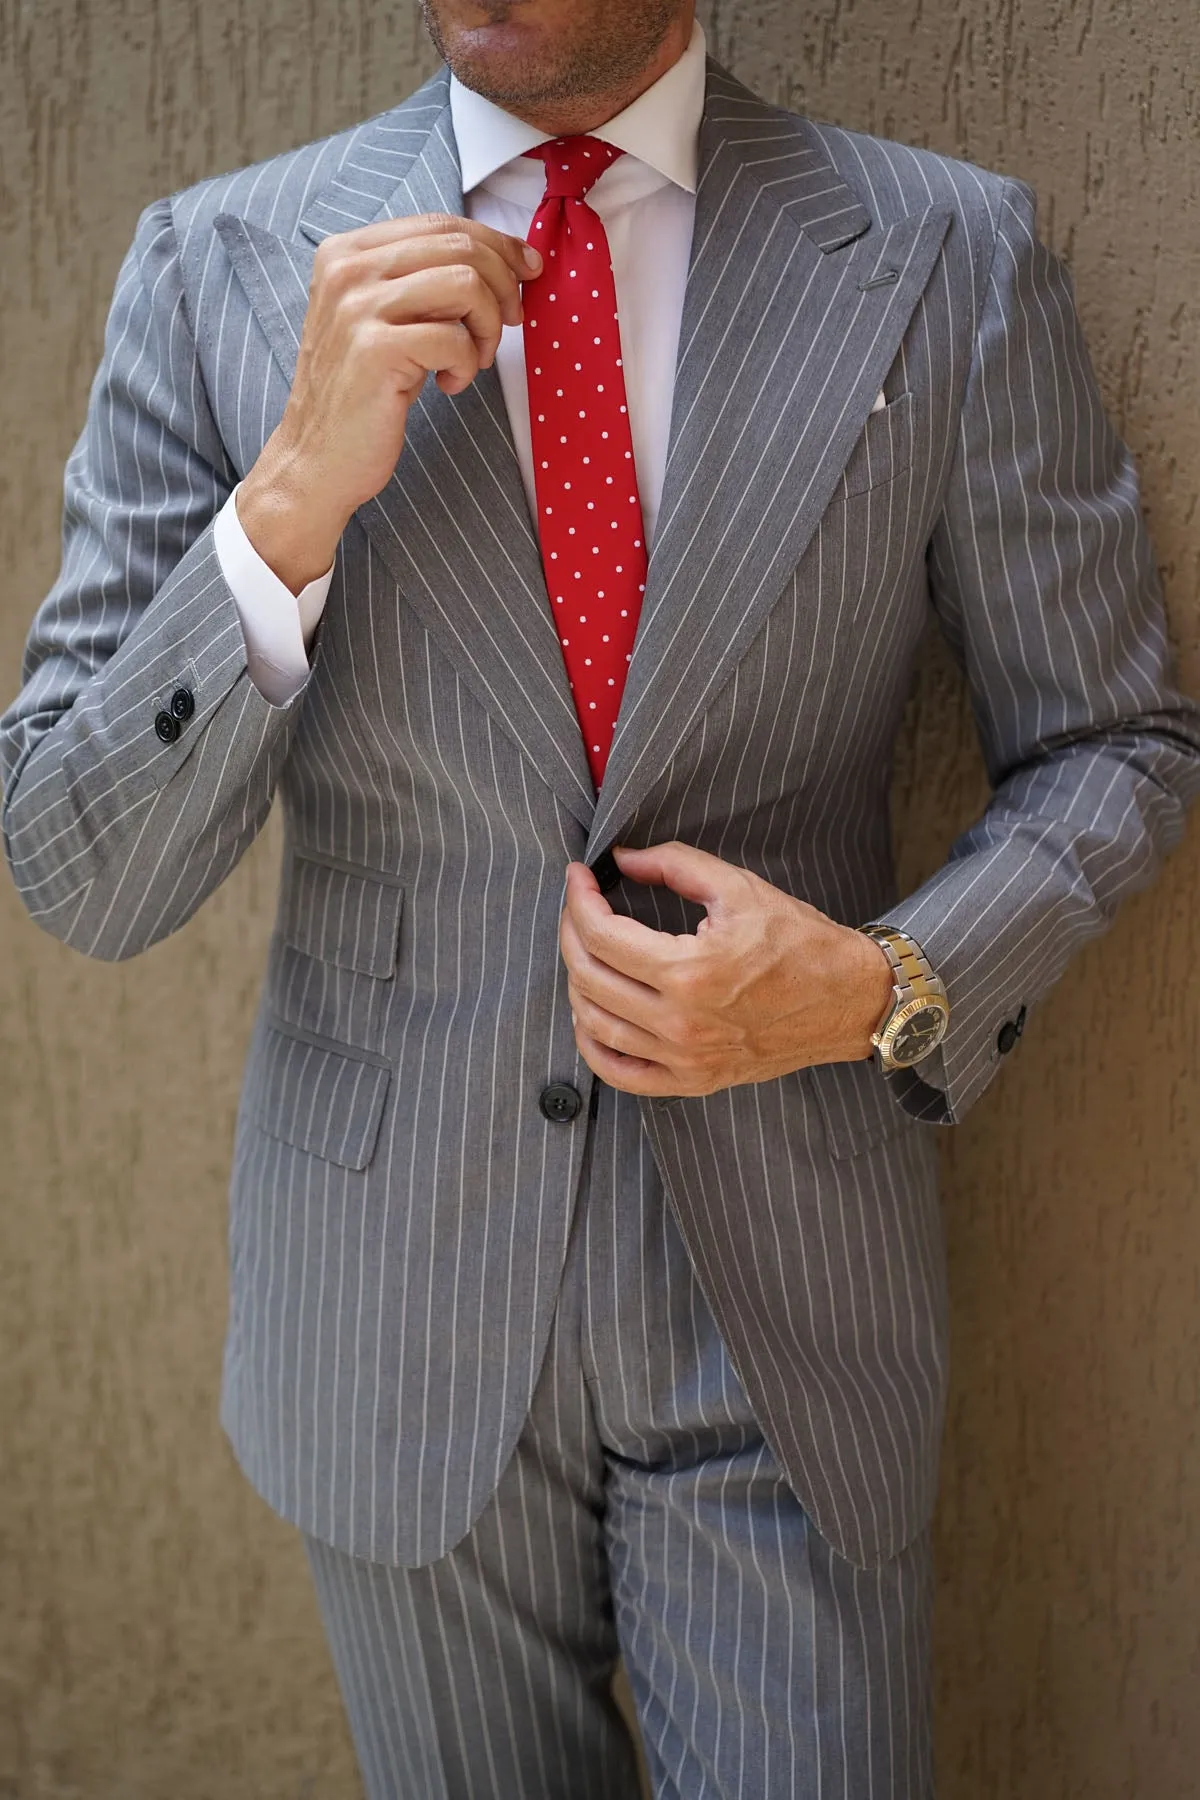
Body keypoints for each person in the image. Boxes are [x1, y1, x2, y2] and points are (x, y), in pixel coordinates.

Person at [3, 0, 1197, 1792]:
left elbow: (1118, 739)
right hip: (390, 1311)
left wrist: (885, 981)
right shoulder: (220, 266)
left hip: (784, 1305)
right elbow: (76, 874)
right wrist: (285, 508)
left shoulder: (947, 254)